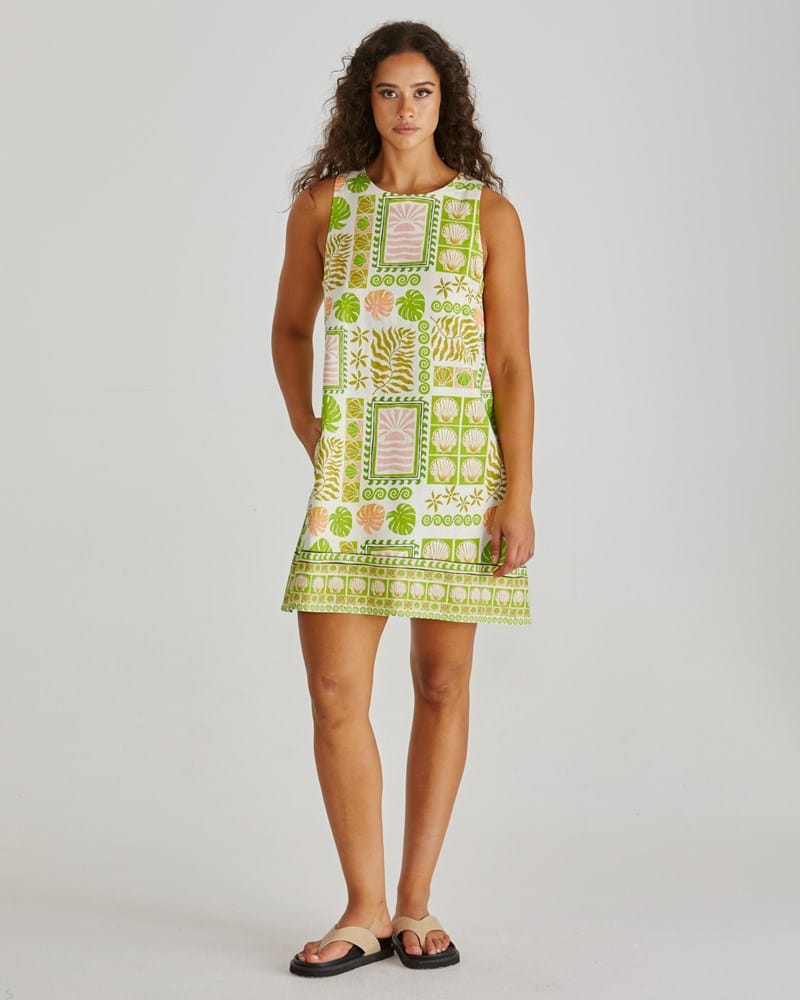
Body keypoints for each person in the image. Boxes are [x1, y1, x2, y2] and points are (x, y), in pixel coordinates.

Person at [271, 19, 535, 978]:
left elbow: (511, 364)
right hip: (355, 484)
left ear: (445, 102)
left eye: (422, 91)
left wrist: (518, 495)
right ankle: (364, 908)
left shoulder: (488, 216)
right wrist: (311, 429)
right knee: (335, 693)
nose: (406, 108)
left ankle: (417, 901)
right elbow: (291, 330)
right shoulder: (325, 207)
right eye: (389, 91)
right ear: (365, 102)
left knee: (440, 684)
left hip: (458, 479)